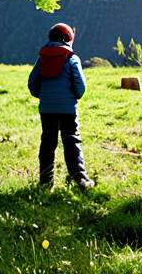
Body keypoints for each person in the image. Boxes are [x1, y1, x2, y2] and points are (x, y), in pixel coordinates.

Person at [28, 23, 95, 190]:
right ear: (67, 39)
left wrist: (43, 97)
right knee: (72, 141)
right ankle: (80, 179)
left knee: (48, 142)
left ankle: (45, 181)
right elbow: (80, 85)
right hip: (67, 109)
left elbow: (32, 83)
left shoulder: (41, 59)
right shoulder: (72, 59)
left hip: (47, 108)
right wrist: (74, 96)